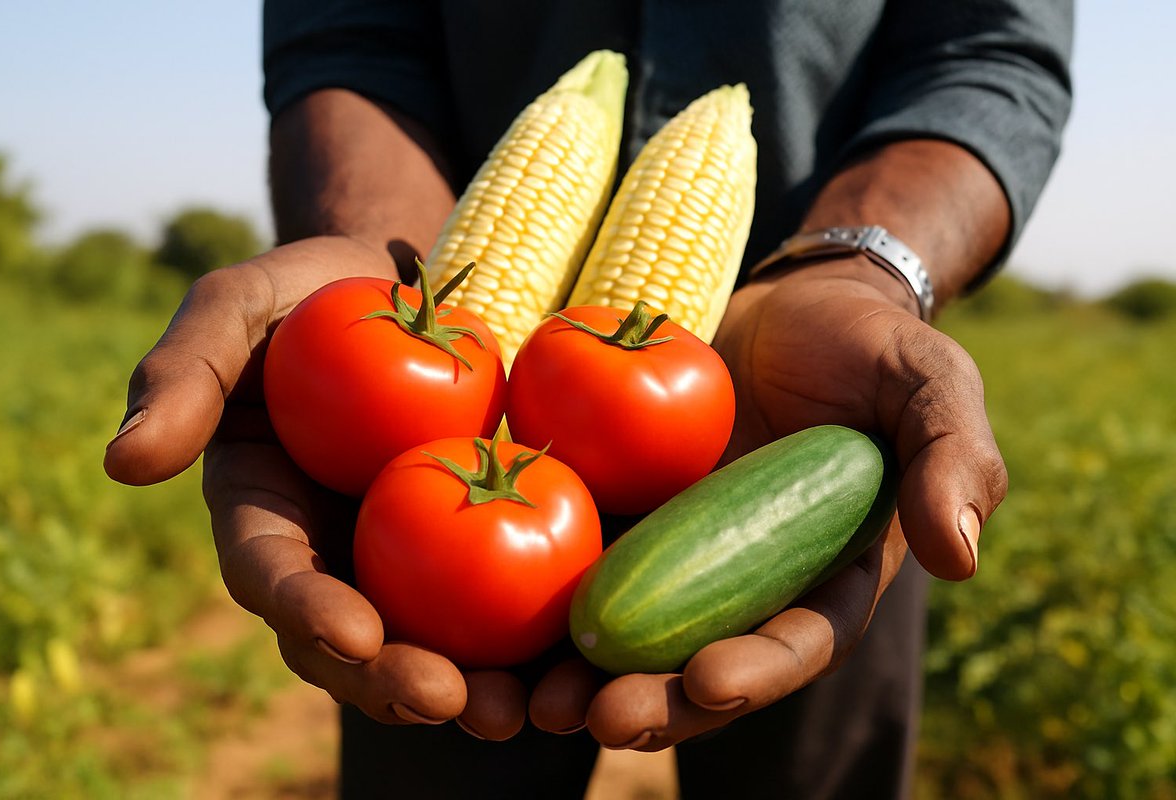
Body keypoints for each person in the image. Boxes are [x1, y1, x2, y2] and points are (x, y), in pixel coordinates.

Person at [104, 1, 1072, 797]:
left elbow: (994, 58)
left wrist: (865, 268)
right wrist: (394, 258)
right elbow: (350, 36)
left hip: (798, 432)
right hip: (417, 525)